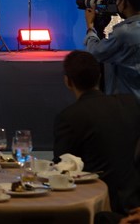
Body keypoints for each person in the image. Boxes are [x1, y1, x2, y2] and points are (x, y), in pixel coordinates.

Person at [53, 51, 140, 215]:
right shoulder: (130, 104)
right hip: (134, 203)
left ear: (68, 82)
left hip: (96, 207)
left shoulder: (69, 117)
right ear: (100, 76)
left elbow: (62, 168)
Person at [85, 0, 140, 102]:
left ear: (124, 2)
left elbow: (95, 52)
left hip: (127, 104)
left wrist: (90, 28)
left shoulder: (124, 33)